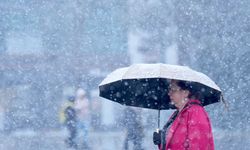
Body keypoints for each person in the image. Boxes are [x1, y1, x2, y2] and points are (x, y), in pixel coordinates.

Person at [153, 79, 214, 150]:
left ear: (185, 93)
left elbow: (199, 146)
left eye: (173, 90)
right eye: (169, 89)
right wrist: (162, 141)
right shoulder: (177, 113)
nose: (169, 93)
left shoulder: (195, 112)